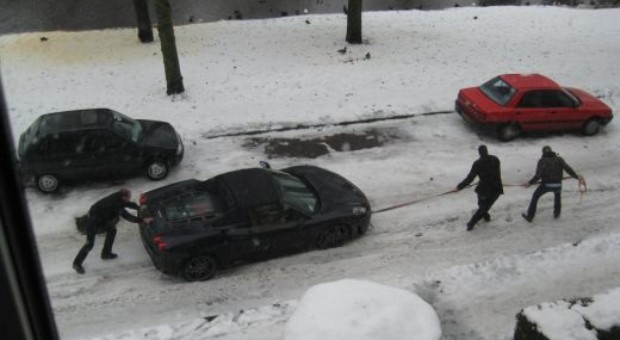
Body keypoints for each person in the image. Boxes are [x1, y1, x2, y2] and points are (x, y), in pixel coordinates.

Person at [72, 189, 149, 274]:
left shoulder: (118, 196)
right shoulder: (117, 204)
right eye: (128, 197)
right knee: (89, 244)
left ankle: (106, 253)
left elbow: (127, 203)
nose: (129, 199)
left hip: (102, 219)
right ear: (124, 196)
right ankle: (77, 264)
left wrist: (138, 207)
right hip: (92, 221)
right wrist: (143, 220)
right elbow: (128, 217)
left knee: (112, 230)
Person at [522, 146, 584, 222]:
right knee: (557, 196)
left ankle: (530, 216)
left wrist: (530, 183)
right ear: (551, 151)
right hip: (558, 185)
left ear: (543, 152)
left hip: (546, 185)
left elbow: (538, 175)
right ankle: (557, 214)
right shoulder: (559, 159)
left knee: (535, 196)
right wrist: (577, 177)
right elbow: (568, 169)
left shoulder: (542, 161)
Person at [456, 145, 504, 231]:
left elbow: (470, 178)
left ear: (479, 153)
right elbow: (496, 173)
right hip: (496, 188)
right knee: (483, 205)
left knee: (482, 206)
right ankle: (486, 216)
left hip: (484, 189)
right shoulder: (495, 159)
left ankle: (471, 223)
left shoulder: (477, 163)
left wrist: (459, 187)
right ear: (487, 151)